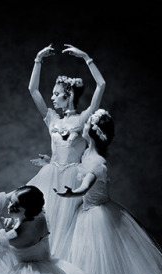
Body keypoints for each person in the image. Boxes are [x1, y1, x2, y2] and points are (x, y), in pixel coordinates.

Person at [55, 109, 162, 274]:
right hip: (84, 216)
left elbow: (85, 186)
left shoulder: (97, 162)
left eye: (86, 126)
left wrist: (72, 192)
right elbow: (71, 164)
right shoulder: (86, 154)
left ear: (93, 133)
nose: (82, 126)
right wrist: (50, 161)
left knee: (141, 263)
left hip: (102, 217)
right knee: (84, 267)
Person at [27, 43, 106, 260]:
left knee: (68, 234)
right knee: (47, 226)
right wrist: (38, 59)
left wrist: (86, 57)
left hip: (73, 179)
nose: (52, 97)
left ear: (68, 94)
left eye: (56, 94)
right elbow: (32, 90)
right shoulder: (52, 118)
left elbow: (101, 85)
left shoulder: (83, 119)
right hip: (51, 177)